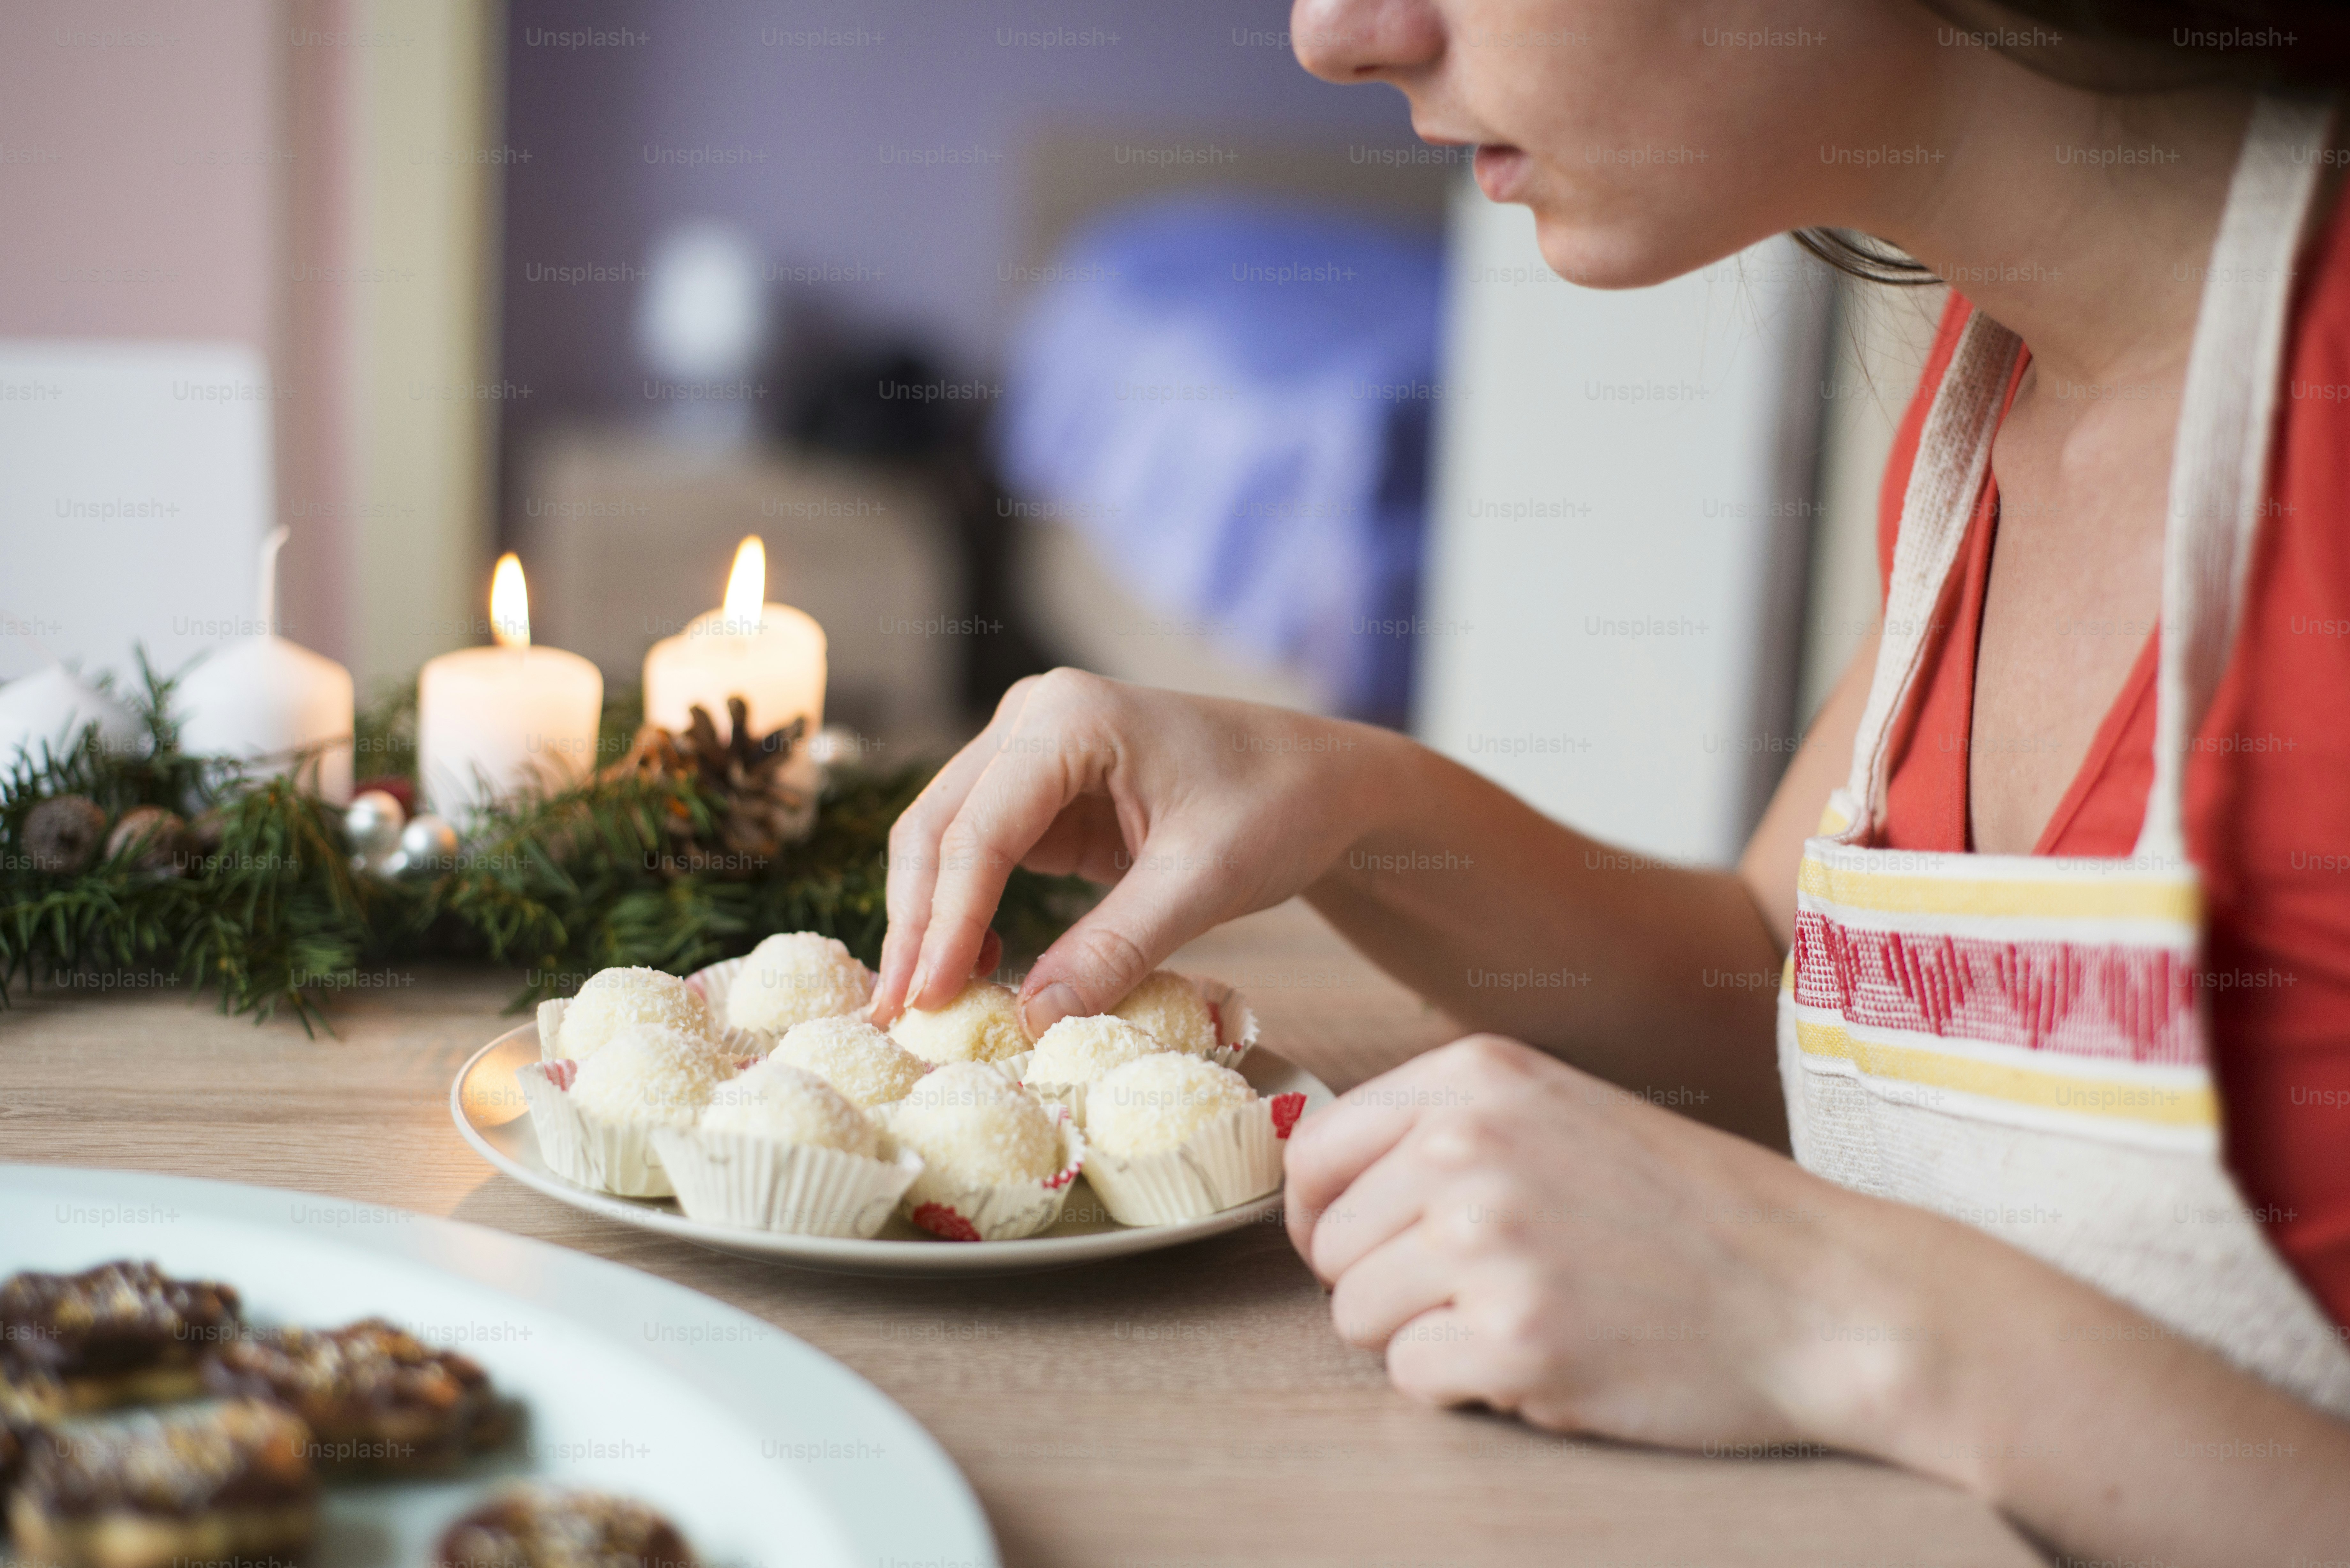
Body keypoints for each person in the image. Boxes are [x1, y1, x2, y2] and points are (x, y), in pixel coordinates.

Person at [872, 2, 2350, 1560]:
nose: (1337, 34)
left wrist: (1843, 1312)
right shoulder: (2002, 393)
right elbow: (1796, 1010)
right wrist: (1346, 804)